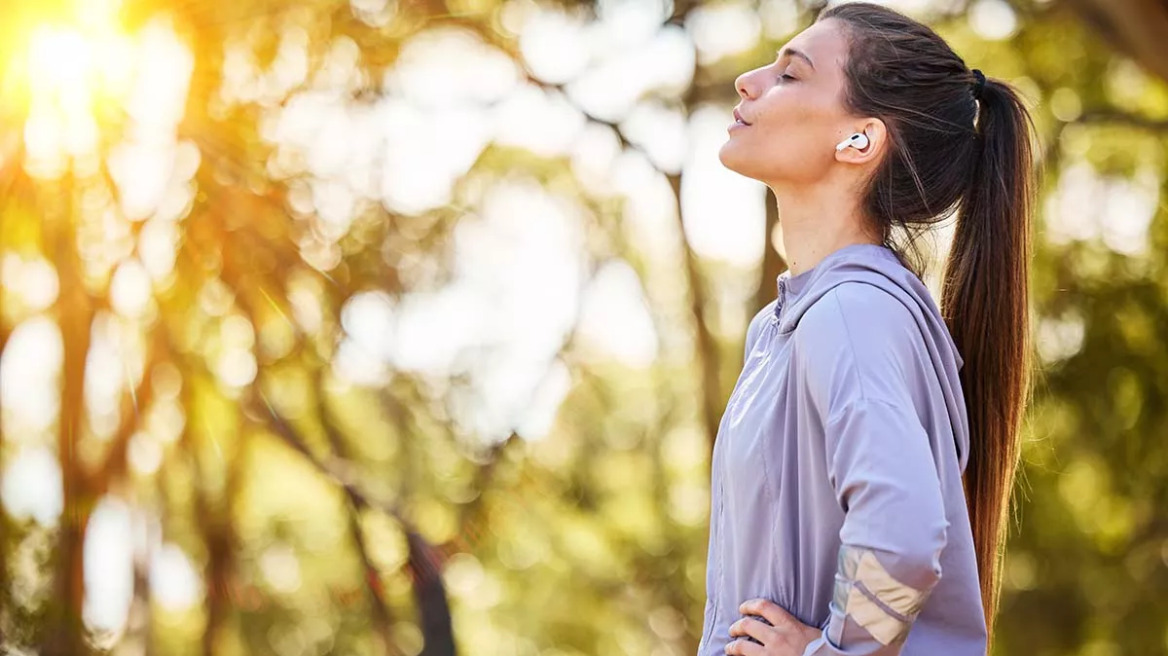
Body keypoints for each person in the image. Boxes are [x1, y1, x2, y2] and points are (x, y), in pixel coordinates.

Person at [699, 2, 1037, 655]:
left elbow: (903, 532)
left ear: (860, 139)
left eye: (790, 75)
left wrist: (830, 652)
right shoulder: (784, 326)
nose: (749, 80)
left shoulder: (852, 311)